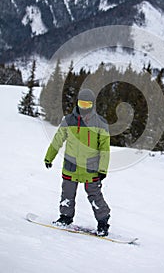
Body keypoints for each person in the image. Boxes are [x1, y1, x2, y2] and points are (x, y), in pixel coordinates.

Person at [44, 88, 111, 236]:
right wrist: (49, 157)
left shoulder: (100, 123)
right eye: (81, 104)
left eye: (87, 105)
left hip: (91, 168)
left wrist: (103, 169)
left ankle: (103, 222)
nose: (83, 108)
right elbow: (57, 141)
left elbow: (104, 149)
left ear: (92, 105)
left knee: (95, 196)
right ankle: (65, 217)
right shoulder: (68, 121)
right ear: (77, 103)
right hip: (71, 166)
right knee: (67, 193)